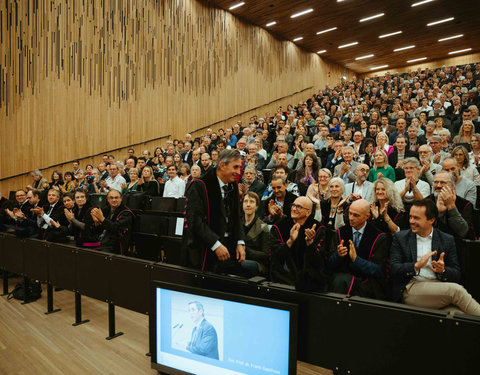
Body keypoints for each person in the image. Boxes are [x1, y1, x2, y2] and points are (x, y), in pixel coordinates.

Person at [390, 199, 480, 316]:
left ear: (431, 220)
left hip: (439, 288)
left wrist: (442, 270)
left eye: (416, 218)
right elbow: (393, 268)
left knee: (459, 315)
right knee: (456, 291)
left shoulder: (446, 239)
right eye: (410, 217)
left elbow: (457, 273)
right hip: (411, 288)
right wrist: (416, 266)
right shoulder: (401, 238)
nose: (411, 221)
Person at [182, 149, 246, 273]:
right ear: (222, 165)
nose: (239, 172)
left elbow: (237, 216)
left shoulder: (232, 185)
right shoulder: (200, 185)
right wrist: (216, 245)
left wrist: (240, 241)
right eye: (236, 167)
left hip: (229, 247)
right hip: (206, 250)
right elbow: (195, 221)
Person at [328, 199, 389, 299]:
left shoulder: (379, 237)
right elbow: (329, 263)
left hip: (367, 285)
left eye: (356, 215)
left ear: (367, 217)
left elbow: (379, 270)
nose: (351, 218)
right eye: (350, 213)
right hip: (342, 282)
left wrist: (356, 260)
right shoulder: (340, 232)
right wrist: (338, 255)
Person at [270, 196, 328, 290]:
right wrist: (290, 241)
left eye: (299, 207)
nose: (293, 209)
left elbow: (319, 262)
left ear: (308, 212)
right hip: (284, 275)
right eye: (293, 205)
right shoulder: (279, 226)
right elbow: (274, 257)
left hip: (309, 278)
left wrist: (310, 243)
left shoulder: (317, 229)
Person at [426, 171, 474, 240]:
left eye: (443, 182)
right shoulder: (426, 202)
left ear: (452, 186)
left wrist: (452, 207)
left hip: (456, 245)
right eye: (436, 182)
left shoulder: (465, 204)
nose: (438, 186)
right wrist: (438, 213)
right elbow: (423, 230)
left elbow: (464, 232)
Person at [91, 189, 134, 255]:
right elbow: (99, 229)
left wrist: (102, 219)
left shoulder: (126, 213)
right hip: (99, 241)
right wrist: (96, 223)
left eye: (116, 197)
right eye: (111, 198)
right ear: (108, 200)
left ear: (121, 199)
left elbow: (115, 228)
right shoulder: (106, 209)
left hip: (114, 245)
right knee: (81, 246)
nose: (114, 200)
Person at [240, 192, 270, 277]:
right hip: (238, 257)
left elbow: (266, 254)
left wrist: (247, 251)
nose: (248, 204)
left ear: (256, 206)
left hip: (257, 263)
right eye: (245, 201)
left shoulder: (263, 226)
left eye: (252, 202)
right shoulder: (237, 223)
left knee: (243, 264)